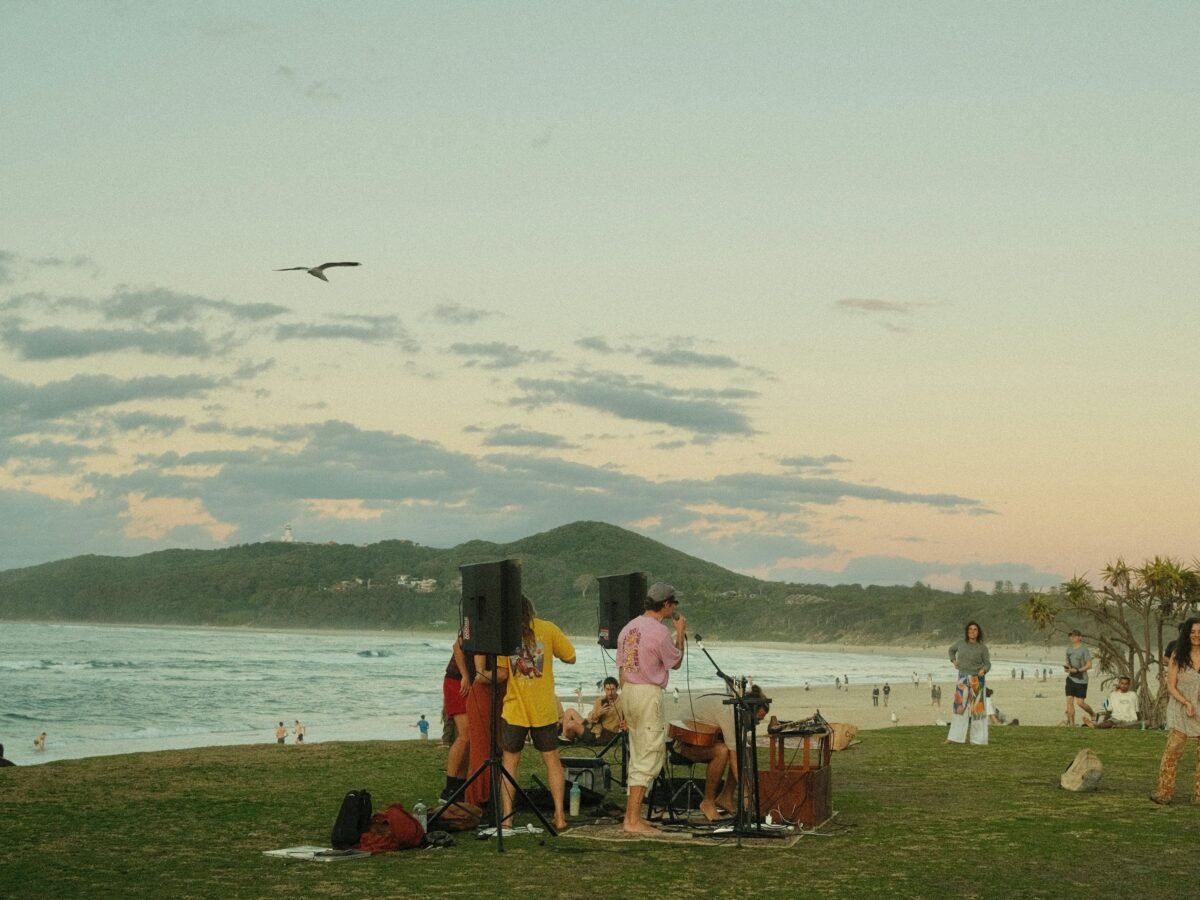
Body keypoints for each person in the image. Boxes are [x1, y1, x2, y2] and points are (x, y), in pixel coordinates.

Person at [495, 595, 576, 830]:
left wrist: (480, 674)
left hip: (515, 708)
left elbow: (501, 674)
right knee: (552, 762)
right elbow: (571, 657)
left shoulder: (506, 636)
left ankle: (507, 819)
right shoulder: (548, 628)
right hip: (543, 708)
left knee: (510, 763)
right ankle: (560, 816)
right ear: (531, 610)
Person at [617, 581, 686, 834]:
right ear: (666, 605)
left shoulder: (627, 628)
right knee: (650, 754)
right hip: (647, 693)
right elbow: (675, 662)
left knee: (638, 753)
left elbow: (622, 668)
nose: (675, 607)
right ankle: (632, 820)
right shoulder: (660, 633)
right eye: (673, 603)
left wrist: (623, 706)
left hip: (629, 692)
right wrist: (680, 633)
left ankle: (632, 816)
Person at [674, 685, 770, 822]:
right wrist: (746, 793)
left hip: (704, 740)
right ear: (747, 712)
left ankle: (725, 797)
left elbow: (742, 752)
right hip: (683, 743)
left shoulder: (736, 711)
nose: (756, 724)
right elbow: (735, 759)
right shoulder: (729, 713)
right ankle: (707, 802)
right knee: (722, 751)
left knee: (742, 748)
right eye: (756, 720)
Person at [1151, 618, 1200, 805]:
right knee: (1173, 751)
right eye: (1193, 631)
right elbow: (1171, 686)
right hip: (1180, 707)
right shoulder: (1178, 654)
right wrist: (1186, 702)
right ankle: (1164, 792)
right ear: (1187, 633)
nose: (1196, 635)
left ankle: (1198, 795)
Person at [465, 649, 507, 808]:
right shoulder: (480, 629)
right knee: (482, 750)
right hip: (484, 693)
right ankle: (478, 801)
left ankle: (493, 797)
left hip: (503, 692)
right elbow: (481, 675)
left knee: (499, 748)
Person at [441, 632, 474, 800]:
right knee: (465, 735)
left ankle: (461, 784)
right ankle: (450, 786)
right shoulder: (471, 622)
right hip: (457, 680)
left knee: (470, 738)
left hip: (472, 683)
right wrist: (465, 675)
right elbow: (457, 646)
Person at [947, 621, 991, 746]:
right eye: (970, 629)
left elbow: (988, 663)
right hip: (962, 679)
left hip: (977, 679)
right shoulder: (961, 643)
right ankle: (954, 738)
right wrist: (954, 661)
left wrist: (984, 670)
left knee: (977, 711)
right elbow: (951, 650)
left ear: (978, 632)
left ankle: (978, 740)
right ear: (967, 631)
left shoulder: (982, 647)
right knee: (959, 709)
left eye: (975, 629)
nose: (972, 631)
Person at [561, 677, 625, 745]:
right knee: (569, 711)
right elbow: (589, 719)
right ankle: (566, 737)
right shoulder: (600, 701)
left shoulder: (622, 703)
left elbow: (628, 720)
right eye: (607, 689)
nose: (610, 693)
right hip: (591, 727)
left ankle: (567, 738)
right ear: (604, 689)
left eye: (612, 689)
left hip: (600, 735)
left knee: (571, 724)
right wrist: (598, 714)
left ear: (617, 689)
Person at [1063, 629, 1096, 726]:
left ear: (1080, 637)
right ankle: (1072, 724)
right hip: (1070, 678)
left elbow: (1089, 665)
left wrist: (1077, 670)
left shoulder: (1084, 649)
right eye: (1071, 636)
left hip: (1082, 679)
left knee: (1080, 703)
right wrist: (1067, 668)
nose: (1072, 638)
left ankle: (1093, 714)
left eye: (1074, 636)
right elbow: (1068, 662)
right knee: (1069, 700)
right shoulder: (1068, 650)